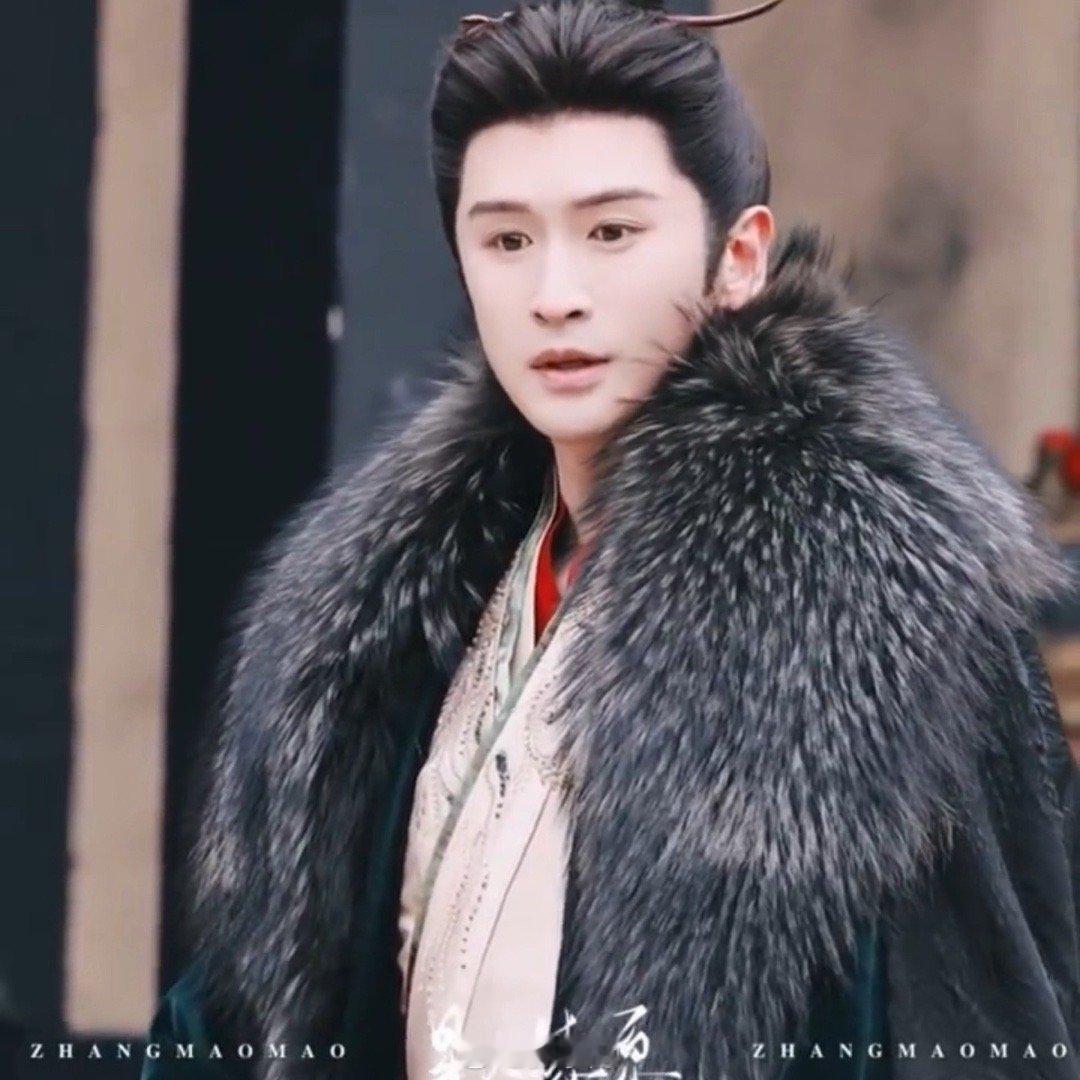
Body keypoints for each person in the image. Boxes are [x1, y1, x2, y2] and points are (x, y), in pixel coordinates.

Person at [142, 2, 1079, 1078]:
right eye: (507, 240)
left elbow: (984, 1032)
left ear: (739, 257)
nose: (555, 297)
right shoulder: (377, 627)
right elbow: (239, 1015)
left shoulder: (890, 625)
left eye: (612, 233)